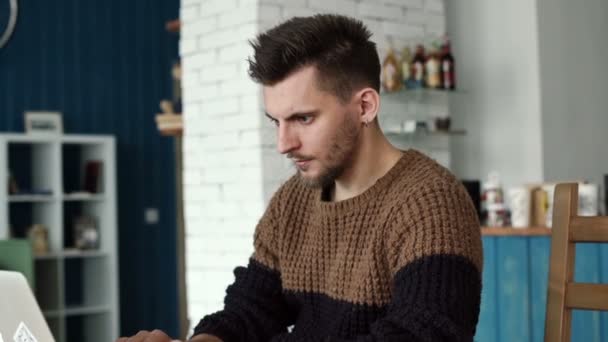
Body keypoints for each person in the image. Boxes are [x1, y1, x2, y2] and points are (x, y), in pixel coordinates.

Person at [117, 14, 482, 342]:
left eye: (303, 119)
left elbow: (420, 336)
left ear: (365, 106)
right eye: (276, 121)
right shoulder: (293, 200)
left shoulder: (431, 202)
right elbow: (251, 308)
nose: (283, 144)